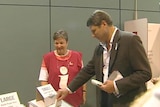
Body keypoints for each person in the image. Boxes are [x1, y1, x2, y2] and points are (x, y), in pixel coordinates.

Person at [56, 10, 152, 107]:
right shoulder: (100, 49)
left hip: (128, 102)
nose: (93, 36)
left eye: (94, 31)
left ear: (104, 24)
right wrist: (68, 89)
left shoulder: (130, 40)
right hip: (106, 101)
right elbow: (87, 71)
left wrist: (116, 86)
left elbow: (145, 73)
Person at [38, 30, 86, 107]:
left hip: (74, 99)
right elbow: (43, 79)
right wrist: (49, 96)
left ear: (67, 43)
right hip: (55, 100)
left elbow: (83, 77)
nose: (59, 46)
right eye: (56, 43)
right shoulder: (47, 58)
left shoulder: (77, 56)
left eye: (61, 43)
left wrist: (84, 92)